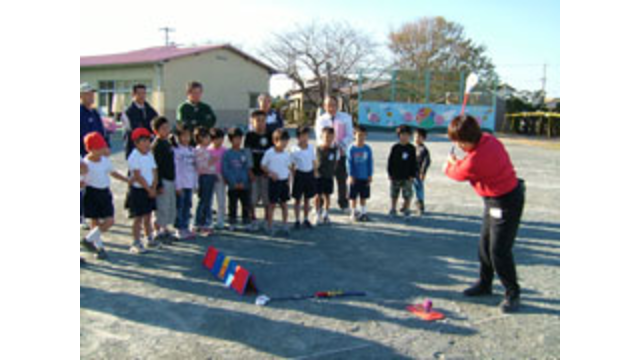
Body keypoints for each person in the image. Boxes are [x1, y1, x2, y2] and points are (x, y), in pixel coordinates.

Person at [445, 115, 526, 313]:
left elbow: (456, 173)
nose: (458, 145)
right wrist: (460, 158)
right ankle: (485, 283)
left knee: (499, 250)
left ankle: (512, 292)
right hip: (493, 201)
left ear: (466, 140)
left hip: (507, 202)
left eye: (459, 141)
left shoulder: (476, 161)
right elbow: (468, 160)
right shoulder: (489, 139)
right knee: (484, 245)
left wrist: (450, 163)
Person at [81, 132, 128, 261]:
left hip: (104, 193)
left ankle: (88, 239)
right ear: (91, 149)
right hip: (91, 193)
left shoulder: (105, 161)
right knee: (94, 221)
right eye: (99, 148)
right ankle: (98, 247)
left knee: (109, 221)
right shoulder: (85, 163)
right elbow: (81, 180)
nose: (103, 150)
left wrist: (126, 180)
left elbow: (113, 173)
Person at [314, 96, 353, 211]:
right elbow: (318, 137)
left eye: (333, 105)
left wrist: (339, 145)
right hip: (325, 153)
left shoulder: (346, 118)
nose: (331, 108)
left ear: (338, 105)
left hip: (341, 151)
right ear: (325, 106)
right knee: (322, 178)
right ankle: (319, 203)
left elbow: (350, 135)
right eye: (328, 105)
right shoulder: (321, 119)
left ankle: (343, 202)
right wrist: (329, 145)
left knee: (341, 178)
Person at [126, 128, 159, 254]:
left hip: (150, 189)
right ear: (136, 143)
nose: (146, 144)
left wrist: (154, 187)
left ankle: (149, 237)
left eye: (148, 141)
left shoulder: (150, 154)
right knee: (138, 217)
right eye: (143, 141)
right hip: (138, 190)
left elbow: (154, 170)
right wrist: (148, 188)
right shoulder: (134, 156)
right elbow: (138, 176)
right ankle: (136, 241)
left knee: (148, 215)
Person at [244, 110, 272, 232]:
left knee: (267, 197)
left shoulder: (270, 135)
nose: (260, 123)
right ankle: (253, 219)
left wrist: (269, 171)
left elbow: (272, 154)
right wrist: (249, 171)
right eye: (257, 121)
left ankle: (267, 219)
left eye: (263, 120)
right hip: (254, 173)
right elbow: (247, 154)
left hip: (266, 173)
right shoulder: (249, 136)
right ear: (252, 122)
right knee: (253, 198)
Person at [261, 129, 293, 236]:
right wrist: (270, 173)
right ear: (275, 141)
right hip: (274, 182)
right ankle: (270, 226)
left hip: (284, 182)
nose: (285, 143)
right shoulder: (269, 153)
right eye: (282, 141)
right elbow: (263, 166)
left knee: (284, 204)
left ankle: (285, 224)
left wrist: (289, 180)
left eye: (286, 141)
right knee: (272, 204)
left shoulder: (286, 154)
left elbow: (288, 167)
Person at [151, 117, 177, 243]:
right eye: (163, 128)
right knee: (162, 206)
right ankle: (157, 230)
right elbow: (156, 167)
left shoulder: (168, 142)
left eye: (168, 127)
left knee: (170, 206)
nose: (167, 130)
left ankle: (166, 229)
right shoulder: (156, 146)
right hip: (163, 180)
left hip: (171, 178)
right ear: (156, 131)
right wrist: (158, 184)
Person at [222, 128, 253, 231]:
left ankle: (246, 222)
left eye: (240, 139)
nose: (238, 141)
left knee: (246, 204)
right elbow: (226, 169)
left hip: (244, 184)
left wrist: (245, 181)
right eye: (235, 139)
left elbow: (247, 168)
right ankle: (232, 222)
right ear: (230, 140)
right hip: (233, 185)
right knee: (232, 205)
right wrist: (233, 182)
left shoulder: (245, 152)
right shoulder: (227, 154)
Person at [173, 126, 198, 240]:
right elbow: (176, 169)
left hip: (189, 183)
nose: (186, 138)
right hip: (180, 184)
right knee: (180, 207)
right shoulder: (176, 151)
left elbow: (195, 168)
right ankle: (179, 228)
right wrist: (177, 185)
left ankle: (186, 227)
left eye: (188, 135)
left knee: (188, 206)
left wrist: (195, 184)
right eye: (183, 135)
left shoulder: (192, 150)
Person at [387, 125, 417, 218]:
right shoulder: (395, 147)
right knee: (394, 193)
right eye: (402, 135)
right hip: (395, 175)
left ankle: (407, 209)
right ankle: (393, 208)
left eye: (407, 135)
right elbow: (390, 161)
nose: (404, 137)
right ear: (399, 135)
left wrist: (413, 174)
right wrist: (390, 173)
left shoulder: (411, 148)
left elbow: (414, 162)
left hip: (407, 176)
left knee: (407, 194)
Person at [122, 84, 159, 159]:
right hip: (134, 147)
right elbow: (130, 131)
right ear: (133, 94)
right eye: (139, 93)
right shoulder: (128, 112)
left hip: (149, 147)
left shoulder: (150, 110)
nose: (142, 96)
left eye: (144, 93)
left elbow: (156, 124)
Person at [290, 126, 317, 230]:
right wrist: (293, 176)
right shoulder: (294, 149)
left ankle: (306, 219)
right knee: (297, 199)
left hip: (309, 174)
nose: (305, 138)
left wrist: (314, 174)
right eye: (302, 136)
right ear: (298, 137)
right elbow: (292, 165)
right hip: (299, 175)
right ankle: (297, 220)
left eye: (306, 135)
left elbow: (314, 161)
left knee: (307, 199)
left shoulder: (311, 147)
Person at [346, 126, 374, 222]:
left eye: (363, 135)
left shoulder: (367, 149)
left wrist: (370, 174)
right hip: (354, 177)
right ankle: (353, 212)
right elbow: (349, 163)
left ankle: (363, 213)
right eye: (359, 135)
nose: (361, 138)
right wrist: (350, 175)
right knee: (353, 197)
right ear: (354, 135)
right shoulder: (351, 149)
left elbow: (370, 162)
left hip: (364, 176)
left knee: (363, 196)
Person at [314, 127, 340, 225]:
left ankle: (325, 214)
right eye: (326, 137)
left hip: (328, 176)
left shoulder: (335, 150)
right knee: (317, 196)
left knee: (327, 196)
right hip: (319, 176)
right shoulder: (317, 149)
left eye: (330, 137)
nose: (328, 139)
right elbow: (314, 162)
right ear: (322, 137)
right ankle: (317, 214)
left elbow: (336, 162)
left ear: (333, 137)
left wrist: (332, 172)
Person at [194, 127, 217, 235]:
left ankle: (205, 222)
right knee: (204, 200)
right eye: (207, 137)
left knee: (208, 200)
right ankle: (201, 222)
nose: (209, 139)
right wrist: (211, 161)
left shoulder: (208, 150)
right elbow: (200, 166)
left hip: (210, 176)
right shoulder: (199, 150)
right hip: (204, 176)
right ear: (200, 138)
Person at [80, 83, 109, 158]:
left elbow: (102, 132)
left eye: (92, 94)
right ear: (80, 96)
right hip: (85, 154)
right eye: (87, 94)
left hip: (99, 154)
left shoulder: (95, 112)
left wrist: (106, 145)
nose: (91, 96)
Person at [210, 128, 227, 230]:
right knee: (209, 200)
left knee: (221, 201)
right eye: (216, 139)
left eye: (221, 139)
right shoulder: (208, 150)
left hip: (221, 177)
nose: (219, 141)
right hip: (210, 176)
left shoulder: (225, 151)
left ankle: (221, 221)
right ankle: (209, 220)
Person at [414, 129, 432, 216]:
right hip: (410, 173)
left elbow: (427, 161)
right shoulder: (412, 147)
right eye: (416, 136)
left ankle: (420, 204)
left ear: (424, 139)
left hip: (418, 173)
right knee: (409, 189)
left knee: (419, 188)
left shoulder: (424, 150)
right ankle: (407, 203)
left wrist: (423, 172)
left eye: (419, 137)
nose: (417, 138)